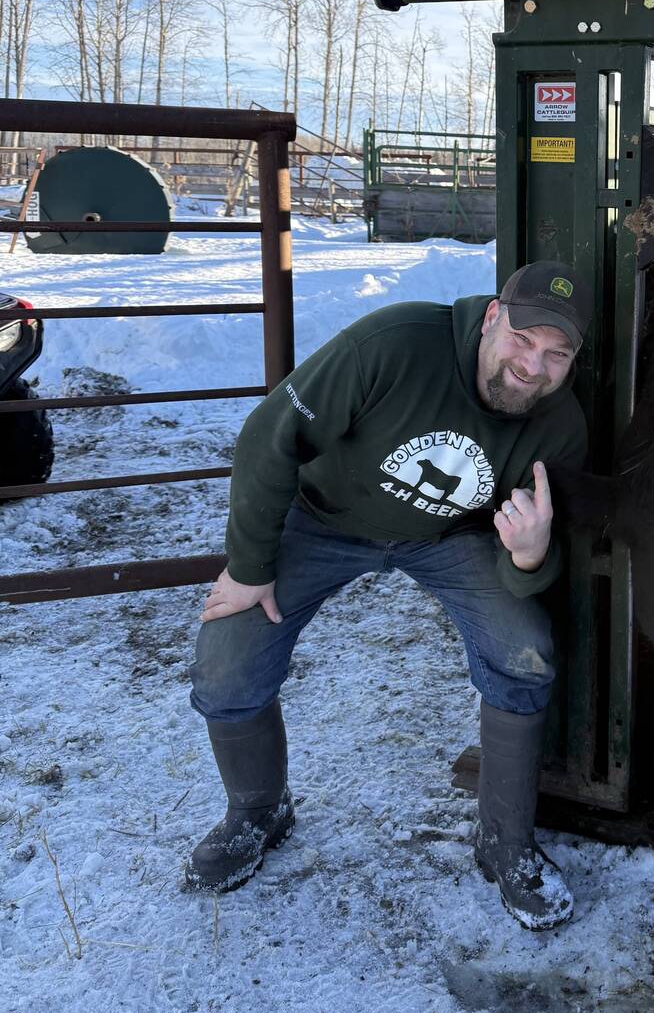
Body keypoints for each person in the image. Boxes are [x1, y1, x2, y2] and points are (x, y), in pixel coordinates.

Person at [186, 262, 591, 931]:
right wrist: (251, 566)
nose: (533, 366)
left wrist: (528, 555)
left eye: (557, 354)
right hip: (321, 519)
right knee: (227, 660)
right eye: (522, 339)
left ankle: (504, 842)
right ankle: (256, 812)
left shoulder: (559, 427)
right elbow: (270, 435)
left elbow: (532, 559)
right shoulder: (396, 343)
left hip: (450, 535)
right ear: (492, 318)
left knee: (525, 651)